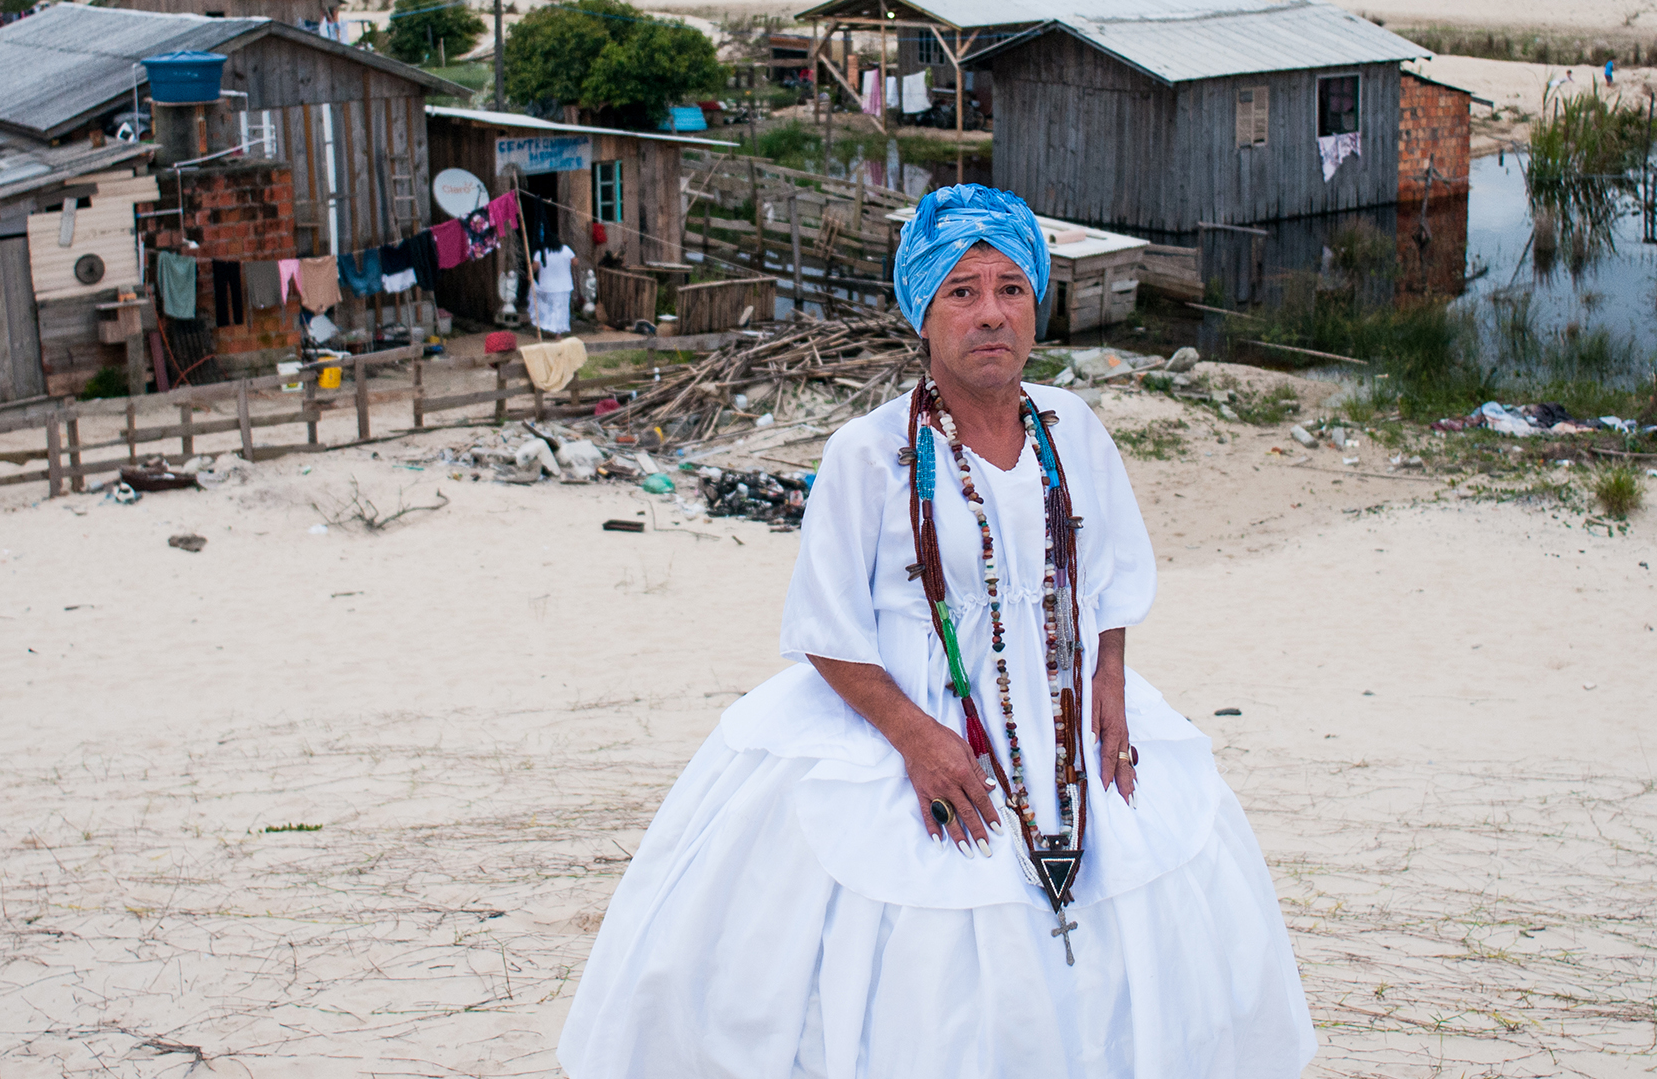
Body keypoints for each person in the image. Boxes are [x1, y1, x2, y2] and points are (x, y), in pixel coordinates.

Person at [558, 184, 1314, 1079]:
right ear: (921, 312)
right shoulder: (866, 453)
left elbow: (1108, 579)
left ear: (1037, 304)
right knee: (916, 949)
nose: (989, 314)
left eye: (1009, 288)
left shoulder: (1074, 427)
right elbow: (828, 630)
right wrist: (919, 742)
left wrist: (1108, 678)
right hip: (907, 714)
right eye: (961, 291)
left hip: (1066, 709)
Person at [529, 240, 576, 339]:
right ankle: (557, 333)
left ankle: (549, 330)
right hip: (564, 286)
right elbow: (575, 262)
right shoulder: (566, 250)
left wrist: (530, 272)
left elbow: (535, 267)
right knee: (560, 311)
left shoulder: (541, 252)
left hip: (547, 286)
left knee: (547, 310)